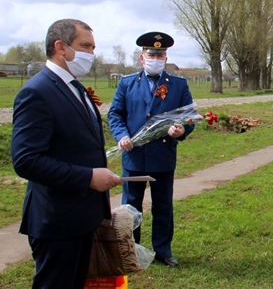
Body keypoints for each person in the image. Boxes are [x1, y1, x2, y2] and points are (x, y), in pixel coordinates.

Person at [11, 19, 123, 289]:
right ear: (60, 47)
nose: (91, 54)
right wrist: (87, 178)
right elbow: (26, 160)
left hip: (82, 215)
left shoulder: (75, 87)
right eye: (85, 46)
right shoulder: (38, 92)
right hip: (57, 220)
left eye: (93, 47)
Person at [108, 31, 195, 268]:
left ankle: (163, 251)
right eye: (152, 53)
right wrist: (122, 135)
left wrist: (182, 130)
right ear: (141, 57)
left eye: (161, 54)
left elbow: (188, 117)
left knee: (163, 206)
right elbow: (115, 113)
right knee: (130, 207)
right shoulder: (127, 83)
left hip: (162, 156)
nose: (156, 57)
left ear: (166, 58)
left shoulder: (178, 85)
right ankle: (131, 250)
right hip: (134, 156)